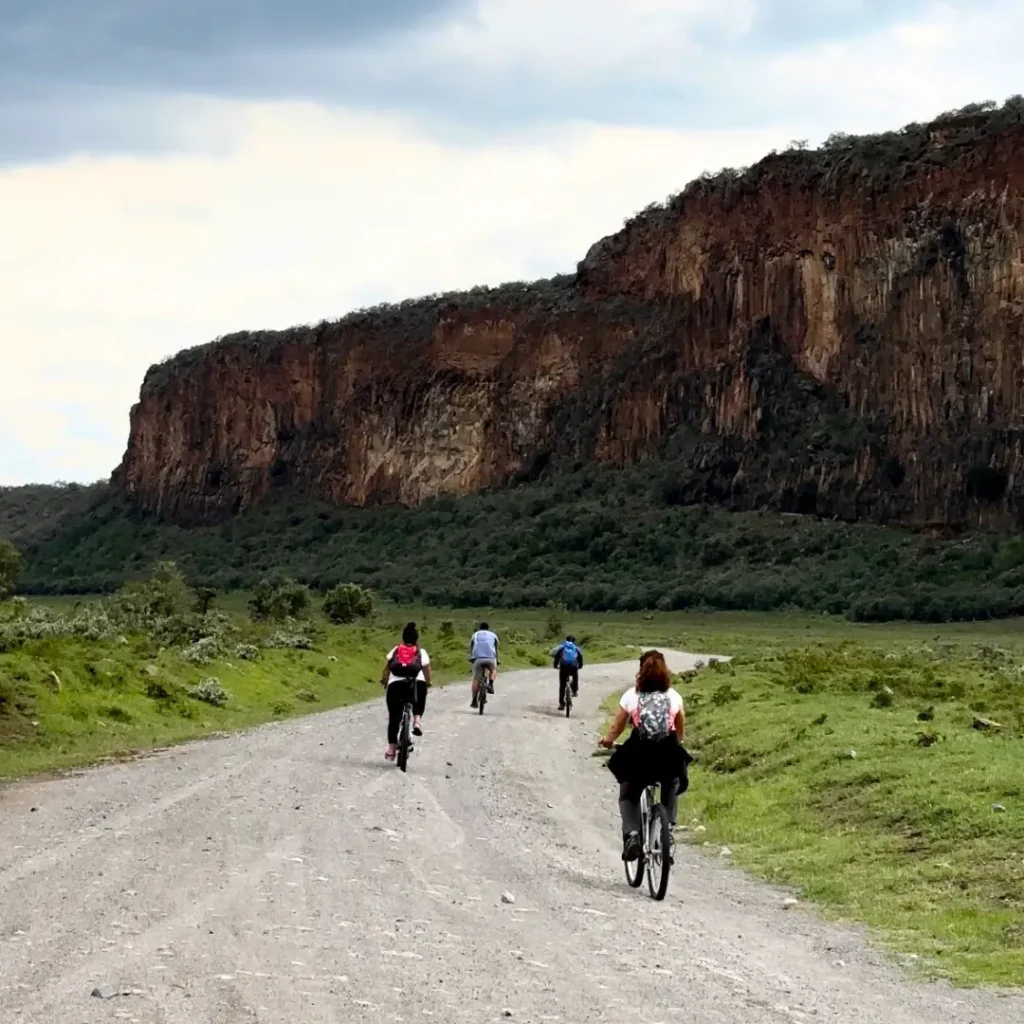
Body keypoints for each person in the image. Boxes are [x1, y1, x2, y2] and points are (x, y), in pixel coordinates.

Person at [599, 650, 692, 863]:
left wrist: (607, 740)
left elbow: (617, 726)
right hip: (667, 753)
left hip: (640, 754)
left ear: (640, 671)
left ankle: (632, 835)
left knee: (628, 795)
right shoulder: (674, 696)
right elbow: (679, 726)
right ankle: (667, 829)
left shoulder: (631, 695)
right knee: (672, 781)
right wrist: (677, 742)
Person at [380, 622, 432, 761]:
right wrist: (428, 683)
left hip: (395, 685)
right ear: (416, 639)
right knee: (419, 699)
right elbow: (426, 671)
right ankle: (416, 721)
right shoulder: (421, 652)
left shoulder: (396, 649)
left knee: (394, 718)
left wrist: (384, 681)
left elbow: (387, 668)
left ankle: (391, 750)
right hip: (416, 682)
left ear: (403, 638)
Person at [469, 621, 499, 709]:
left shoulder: (475, 635)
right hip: (490, 658)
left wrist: (472, 657)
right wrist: (497, 659)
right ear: (488, 628)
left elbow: (471, 647)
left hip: (478, 659)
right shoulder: (493, 635)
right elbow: (496, 648)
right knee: (493, 670)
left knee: (476, 679)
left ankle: (474, 700)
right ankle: (491, 684)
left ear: (480, 628)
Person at [550, 634, 584, 710]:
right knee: (575, 677)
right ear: (574, 641)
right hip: (573, 667)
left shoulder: (562, 647)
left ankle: (561, 704)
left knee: (562, 686)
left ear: (566, 640)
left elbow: (557, 657)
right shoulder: (576, 648)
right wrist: (580, 666)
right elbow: (580, 658)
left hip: (564, 668)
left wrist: (555, 665)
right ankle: (574, 690)